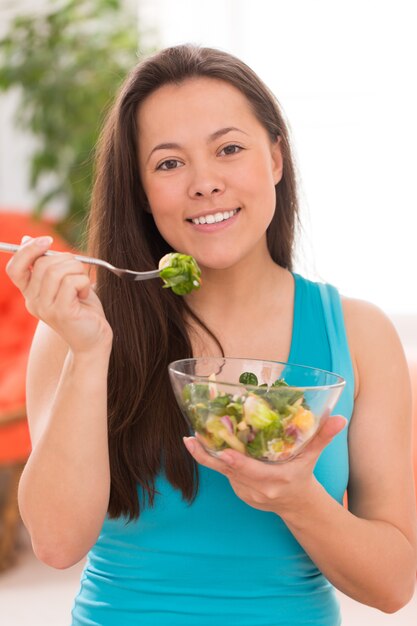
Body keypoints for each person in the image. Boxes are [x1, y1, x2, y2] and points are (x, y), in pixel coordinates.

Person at [6, 44, 417, 626]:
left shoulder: (360, 333)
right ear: (142, 192)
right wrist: (90, 352)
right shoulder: (81, 327)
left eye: (229, 149)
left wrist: (296, 499)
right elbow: (55, 544)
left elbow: (393, 585)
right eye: (169, 163)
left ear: (275, 159)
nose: (205, 183)